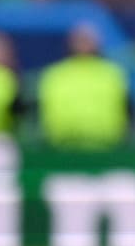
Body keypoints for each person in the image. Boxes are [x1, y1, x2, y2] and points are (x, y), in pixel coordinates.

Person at [37, 22, 129, 150]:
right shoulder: (54, 74)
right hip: (63, 147)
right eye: (80, 39)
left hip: (106, 147)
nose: (83, 44)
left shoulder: (112, 74)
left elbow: (126, 108)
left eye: (87, 39)